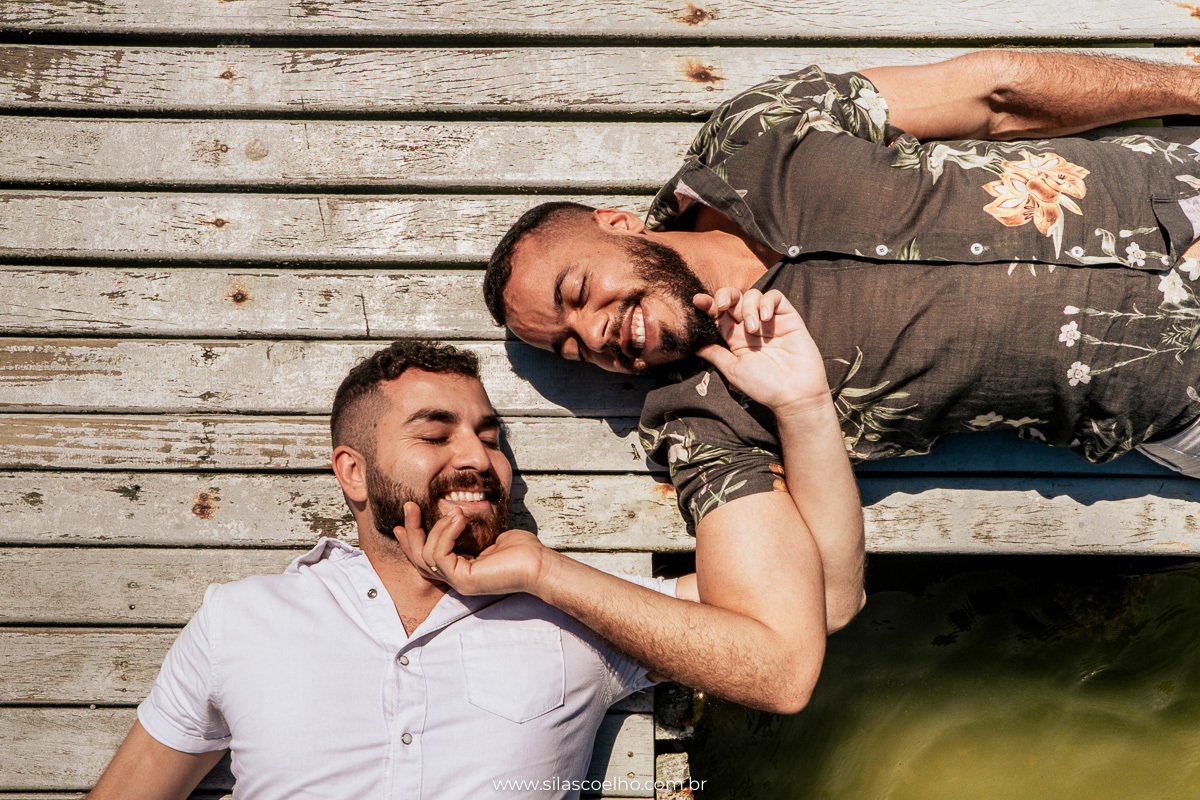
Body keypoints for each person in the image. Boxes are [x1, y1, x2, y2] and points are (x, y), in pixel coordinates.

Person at [481, 50, 1200, 638]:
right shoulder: (703, 420)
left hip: (1177, 181)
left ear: (617, 224)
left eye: (578, 293)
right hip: (1180, 394)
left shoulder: (751, 136)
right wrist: (800, 408)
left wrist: (1190, 85)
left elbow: (995, 95)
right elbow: (823, 605)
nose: (594, 335)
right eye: (571, 350)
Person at [85, 336, 836, 800]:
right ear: (353, 472)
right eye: (436, 435)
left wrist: (545, 574)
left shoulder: (575, 611)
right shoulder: (242, 622)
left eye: (490, 436)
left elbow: (812, 614)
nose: (478, 457)